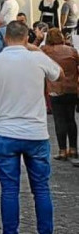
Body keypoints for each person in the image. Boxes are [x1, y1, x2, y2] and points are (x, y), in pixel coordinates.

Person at [0, 21, 63, 234]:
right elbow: (59, 73)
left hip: (6, 132)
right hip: (36, 133)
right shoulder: (37, 59)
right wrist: (36, 50)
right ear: (27, 37)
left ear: (5, 38)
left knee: (10, 190)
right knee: (41, 190)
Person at [42, 29, 79, 160]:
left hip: (55, 89)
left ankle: (62, 150)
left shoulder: (46, 50)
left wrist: (37, 38)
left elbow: (31, 51)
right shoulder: (72, 51)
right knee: (71, 119)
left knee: (59, 120)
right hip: (72, 89)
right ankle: (73, 149)